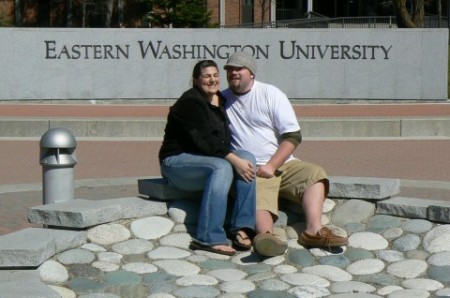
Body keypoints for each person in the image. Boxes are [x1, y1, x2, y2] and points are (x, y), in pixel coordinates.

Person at [222, 51, 348, 257]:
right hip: (252, 168)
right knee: (256, 191)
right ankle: (266, 238)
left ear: (251, 73)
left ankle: (313, 230)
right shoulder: (222, 100)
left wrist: (272, 165)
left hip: (283, 163)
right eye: (229, 69)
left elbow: (293, 136)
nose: (234, 73)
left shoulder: (271, 94)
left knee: (314, 173)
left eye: (239, 69)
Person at [158, 59, 257, 256]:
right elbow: (205, 142)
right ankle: (208, 237)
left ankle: (241, 226)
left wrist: (239, 159)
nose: (212, 80)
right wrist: (234, 161)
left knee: (247, 157)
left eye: (215, 75)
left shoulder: (218, 100)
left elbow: (221, 141)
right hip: (177, 163)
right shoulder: (190, 102)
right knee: (222, 166)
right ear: (195, 80)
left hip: (205, 159)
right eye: (206, 76)